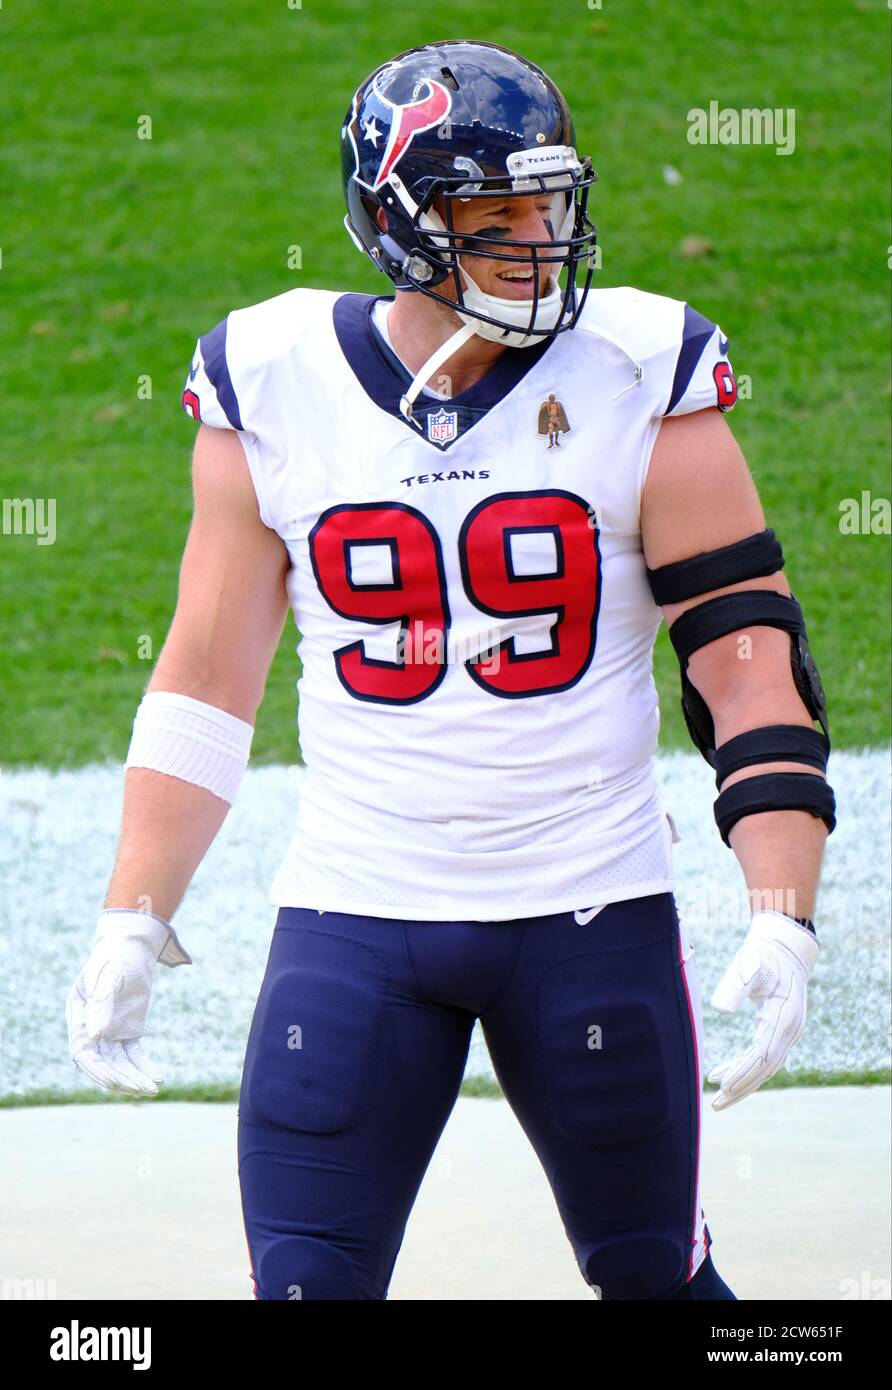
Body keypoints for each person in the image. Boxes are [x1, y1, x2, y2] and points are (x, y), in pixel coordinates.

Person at [66, 39, 835, 1301]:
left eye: (551, 204)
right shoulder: (272, 378)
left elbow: (751, 668)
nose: (542, 239)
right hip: (356, 913)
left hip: (591, 908)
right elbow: (207, 676)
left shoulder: (642, 369)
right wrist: (133, 914)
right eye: (497, 216)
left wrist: (781, 910)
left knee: (659, 1287)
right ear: (396, 223)